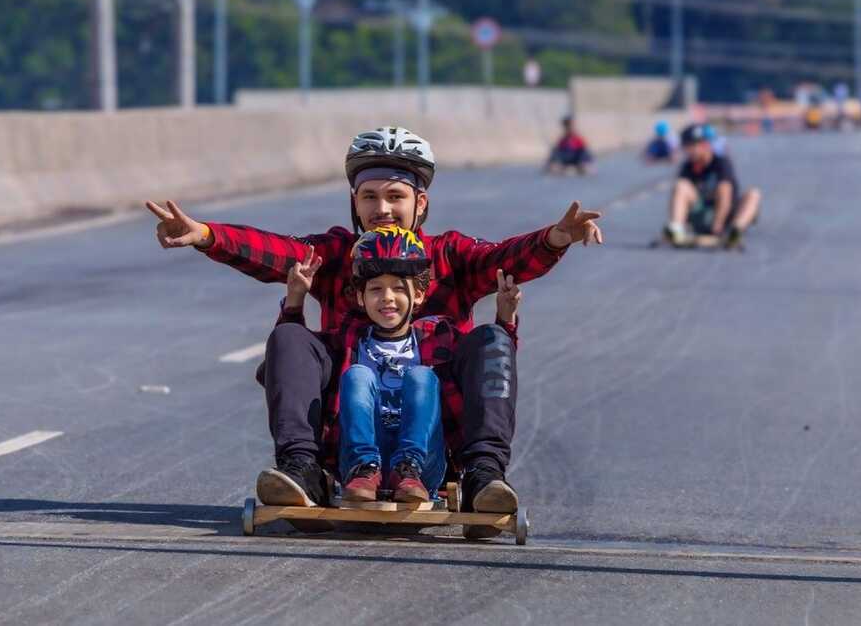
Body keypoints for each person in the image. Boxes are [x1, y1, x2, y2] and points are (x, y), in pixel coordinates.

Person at [146, 126, 603, 536]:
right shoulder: (337, 255)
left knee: (492, 341)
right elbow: (276, 252)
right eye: (369, 197)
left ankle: (485, 476)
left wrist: (555, 238)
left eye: (395, 196)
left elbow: (505, 259)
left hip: (433, 434)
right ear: (354, 203)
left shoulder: (449, 256)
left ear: (420, 204)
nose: (382, 209)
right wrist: (207, 235)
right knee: (290, 339)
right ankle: (302, 469)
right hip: (348, 428)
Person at [280, 226, 524, 507]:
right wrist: (294, 302)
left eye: (398, 288)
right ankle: (359, 469)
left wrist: (505, 320)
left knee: (421, 376)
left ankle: (466, 475)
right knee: (357, 375)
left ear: (419, 295)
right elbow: (295, 361)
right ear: (360, 297)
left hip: (423, 465)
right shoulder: (347, 341)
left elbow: (488, 368)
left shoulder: (439, 337)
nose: (387, 297)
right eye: (375, 289)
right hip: (356, 464)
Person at [664, 123, 761, 250]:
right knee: (681, 185)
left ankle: (735, 231)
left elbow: (725, 193)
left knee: (753, 194)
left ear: (705, 145)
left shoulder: (721, 163)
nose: (689, 151)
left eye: (692, 146)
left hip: (725, 217)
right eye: (687, 147)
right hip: (702, 213)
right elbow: (679, 195)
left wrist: (718, 225)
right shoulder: (688, 166)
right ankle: (677, 228)